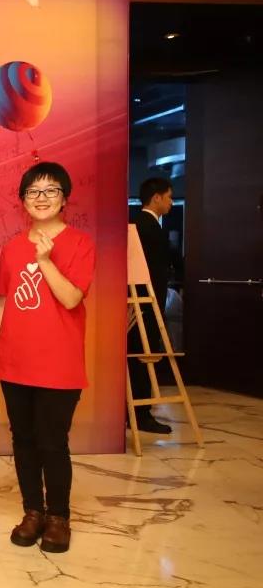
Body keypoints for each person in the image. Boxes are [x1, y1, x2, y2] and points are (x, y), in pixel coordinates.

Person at [0, 162, 95, 554]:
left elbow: (71, 298)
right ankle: (32, 511)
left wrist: (46, 260)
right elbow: (3, 302)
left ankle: (58, 517)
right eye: (33, 191)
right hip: (15, 361)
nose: (41, 198)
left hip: (59, 364)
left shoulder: (80, 243)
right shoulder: (13, 246)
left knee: (52, 442)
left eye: (51, 191)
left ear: (64, 199)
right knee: (23, 440)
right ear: (23, 201)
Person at [128, 177, 175, 434]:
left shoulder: (138, 224)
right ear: (156, 197)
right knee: (143, 355)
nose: (171, 203)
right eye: (169, 197)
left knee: (138, 356)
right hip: (145, 303)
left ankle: (134, 411)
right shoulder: (146, 227)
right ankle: (141, 413)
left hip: (140, 302)